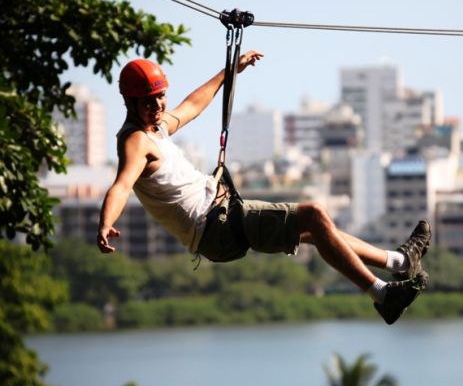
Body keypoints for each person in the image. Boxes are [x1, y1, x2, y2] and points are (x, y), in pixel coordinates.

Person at [97, 51, 431, 325]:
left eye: (160, 97)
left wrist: (230, 71)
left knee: (318, 231)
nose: (157, 106)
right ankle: (383, 295)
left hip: (222, 220)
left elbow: (192, 106)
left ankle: (400, 261)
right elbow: (121, 185)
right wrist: (106, 223)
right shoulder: (136, 141)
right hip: (217, 225)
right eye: (148, 101)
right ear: (130, 101)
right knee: (313, 214)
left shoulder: (155, 128)